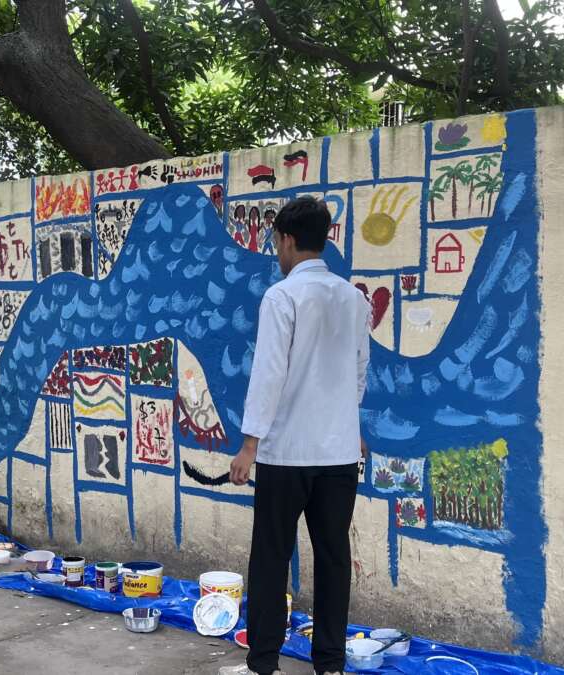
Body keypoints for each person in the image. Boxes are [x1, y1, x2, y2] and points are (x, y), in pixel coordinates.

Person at [224, 196, 371, 675]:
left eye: (276, 243)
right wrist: (350, 423)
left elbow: (268, 374)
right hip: (339, 453)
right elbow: (358, 370)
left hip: (286, 453)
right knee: (333, 559)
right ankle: (330, 664)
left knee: (270, 558)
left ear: (287, 240)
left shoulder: (282, 296)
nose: (276, 253)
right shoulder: (353, 298)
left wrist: (250, 444)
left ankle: (262, 665)